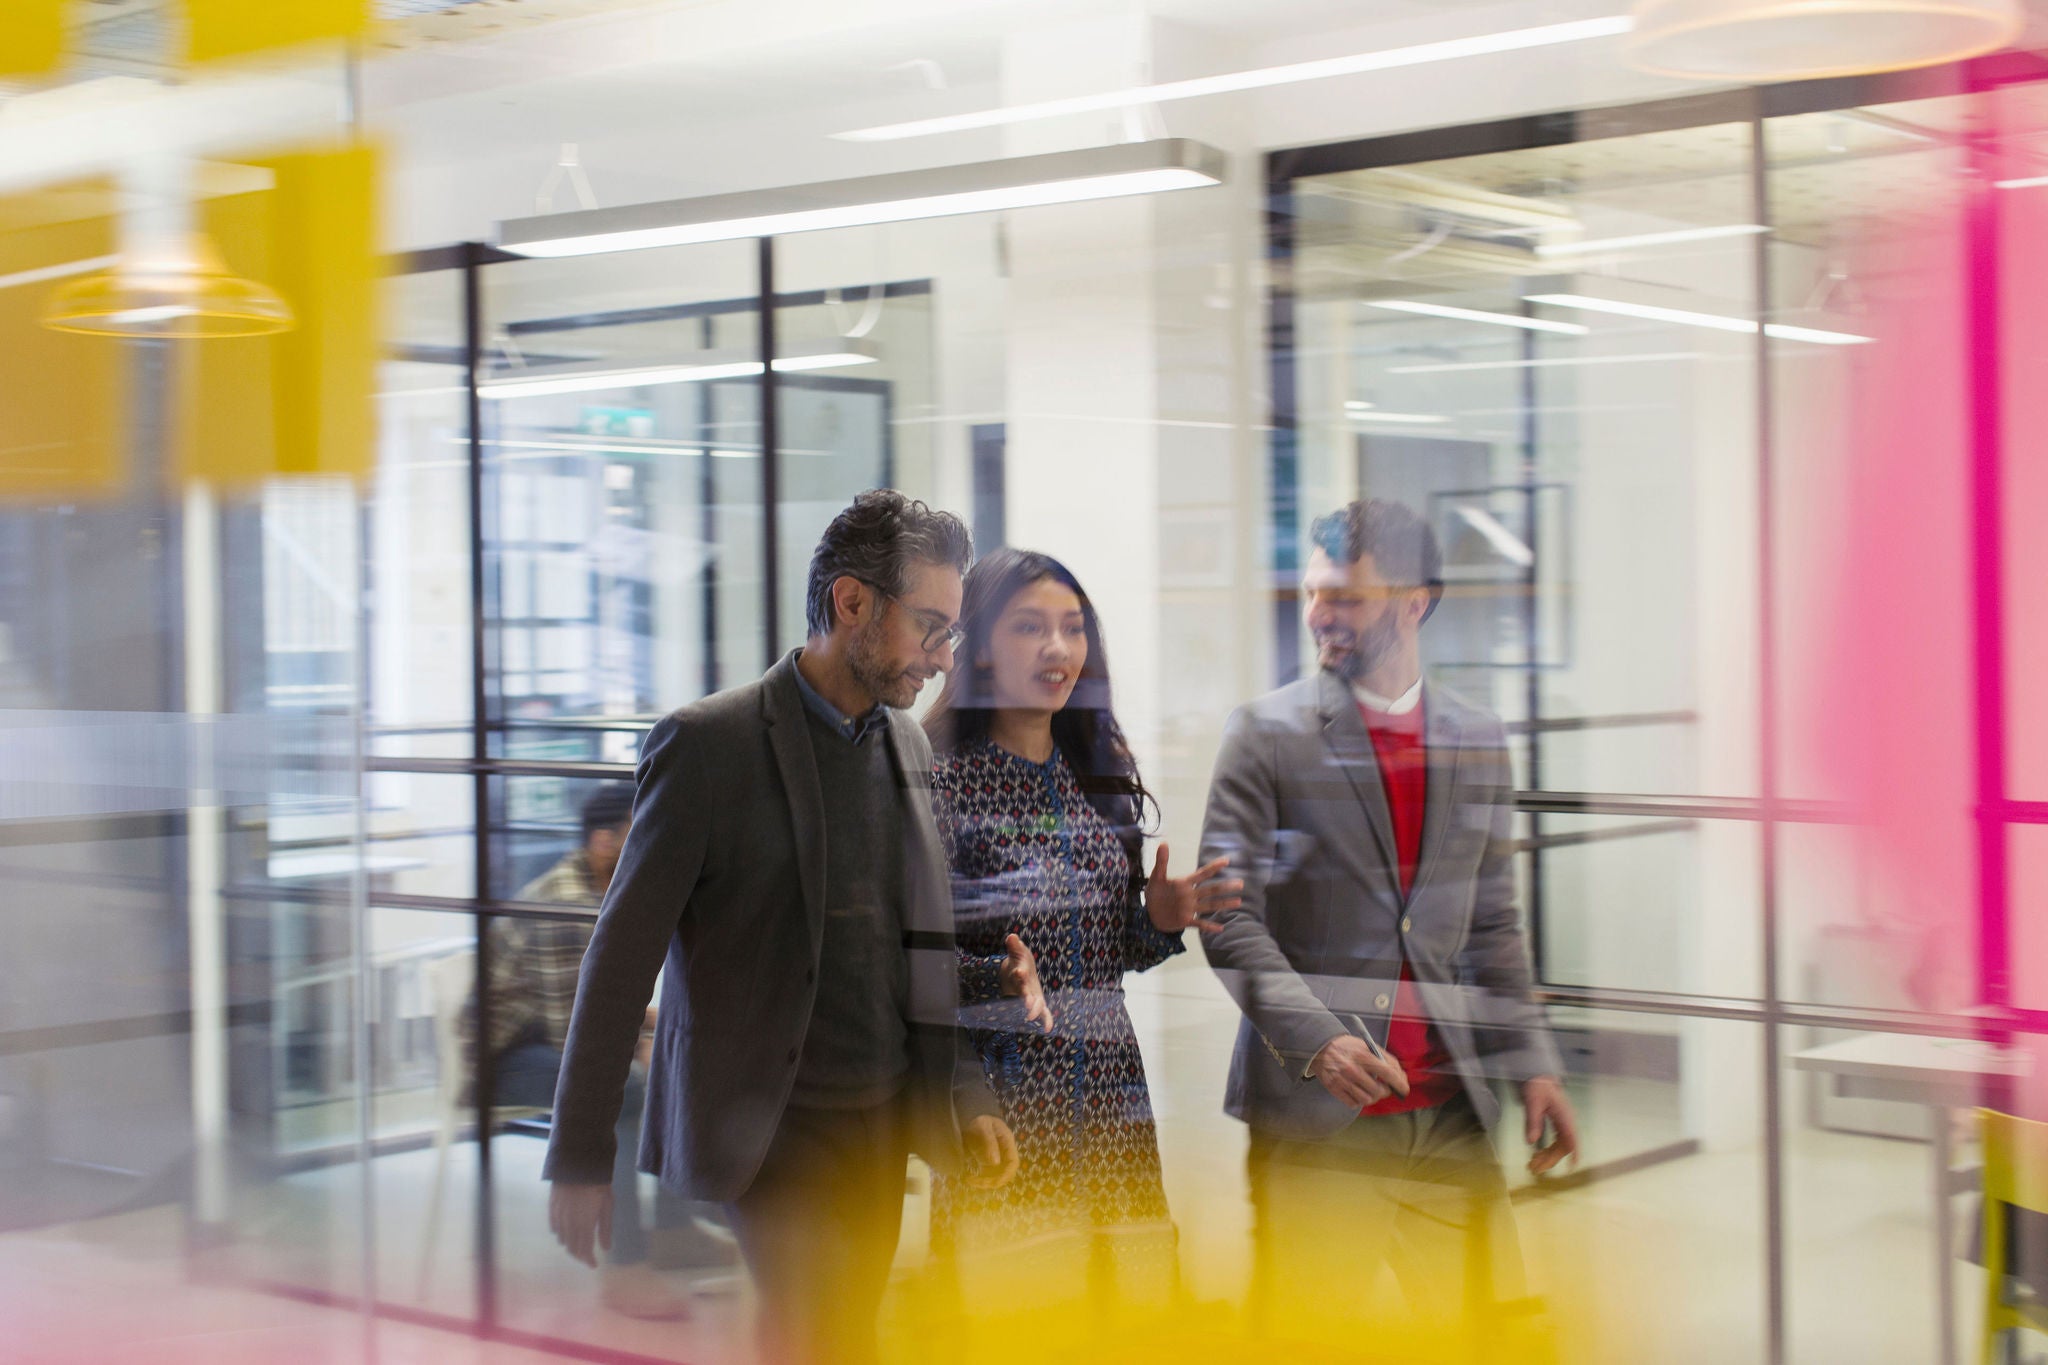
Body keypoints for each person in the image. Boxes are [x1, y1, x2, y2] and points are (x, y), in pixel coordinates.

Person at [542, 490, 1020, 1365]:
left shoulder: (907, 747)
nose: (943, 660)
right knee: (823, 1339)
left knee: (841, 1335)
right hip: (767, 1132)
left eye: (950, 634)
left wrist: (967, 1095)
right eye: (930, 627)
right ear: (851, 602)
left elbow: (926, 945)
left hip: (878, 1123)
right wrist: (579, 1151)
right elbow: (620, 959)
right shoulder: (707, 746)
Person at [1199, 498, 1581, 1344]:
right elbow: (1228, 920)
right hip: (1320, 1126)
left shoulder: (1475, 739)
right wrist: (1319, 1040)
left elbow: (1492, 924)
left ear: (1416, 601)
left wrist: (1533, 1064)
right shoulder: (1264, 735)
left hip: (1451, 1115)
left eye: (1346, 596)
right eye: (1311, 592)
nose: (1319, 615)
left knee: (1492, 1338)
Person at [920, 549, 1239, 1321]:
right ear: (984, 644)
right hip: (1001, 1094)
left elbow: (1111, 954)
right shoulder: (940, 778)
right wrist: (994, 985)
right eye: (1030, 627)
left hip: (1111, 1091)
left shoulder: (1094, 771)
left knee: (1127, 1311)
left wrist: (1156, 923)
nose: (1057, 649)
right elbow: (913, 962)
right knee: (1019, 1314)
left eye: (1072, 628)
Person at [467, 782, 713, 1321]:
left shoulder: (609, 888)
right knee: (622, 1088)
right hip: (500, 1056)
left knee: (673, 1057)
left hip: (544, 1034)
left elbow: (603, 1010)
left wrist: (658, 1035)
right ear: (604, 841)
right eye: (638, 834)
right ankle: (624, 1269)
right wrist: (643, 1043)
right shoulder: (566, 904)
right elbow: (574, 1038)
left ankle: (673, 1231)